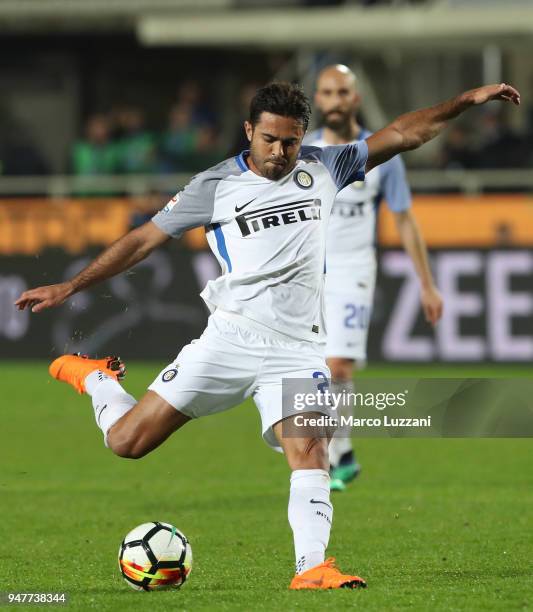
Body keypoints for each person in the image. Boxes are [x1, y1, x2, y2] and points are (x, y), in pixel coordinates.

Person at [15, 80, 520, 590]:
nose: (280, 153)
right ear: (249, 131)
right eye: (270, 140)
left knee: (310, 447)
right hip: (230, 340)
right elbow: (143, 239)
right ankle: (99, 380)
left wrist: (463, 102)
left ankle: (312, 568)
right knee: (127, 442)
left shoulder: (326, 166)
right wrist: (72, 285)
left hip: (297, 350)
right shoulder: (213, 186)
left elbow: (403, 134)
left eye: (291, 142)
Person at [306, 64, 444, 491]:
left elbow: (405, 221)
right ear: (318, 99)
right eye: (326, 93)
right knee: (309, 367)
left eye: (342, 92)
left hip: (353, 269)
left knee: (339, 365)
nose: (334, 100)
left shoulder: (380, 155)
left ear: (355, 98)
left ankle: (329, 455)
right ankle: (341, 451)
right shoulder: (304, 153)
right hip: (306, 272)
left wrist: (426, 283)